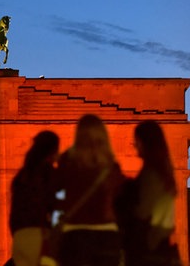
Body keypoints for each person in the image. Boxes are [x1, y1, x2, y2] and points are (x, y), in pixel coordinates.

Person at [55, 114, 124, 266]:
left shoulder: (69, 161)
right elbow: (121, 201)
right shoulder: (111, 166)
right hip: (107, 235)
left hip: (75, 234)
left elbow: (50, 189)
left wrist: (64, 205)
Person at [116, 120, 180, 266]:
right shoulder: (163, 173)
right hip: (160, 245)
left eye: (137, 140)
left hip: (149, 246)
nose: (135, 145)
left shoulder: (151, 175)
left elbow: (142, 212)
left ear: (146, 142)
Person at [9, 131, 60, 266]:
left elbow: (13, 215)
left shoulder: (21, 176)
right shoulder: (49, 173)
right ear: (52, 150)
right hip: (42, 237)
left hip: (21, 238)